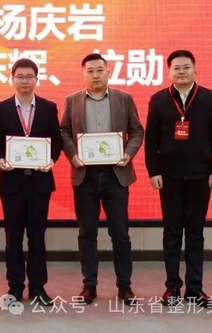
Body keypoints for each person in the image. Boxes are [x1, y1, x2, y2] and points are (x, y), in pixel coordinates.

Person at [145, 50, 212, 307]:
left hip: (199, 176)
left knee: (195, 233)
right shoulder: (158, 100)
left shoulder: (210, 99)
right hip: (169, 177)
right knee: (171, 232)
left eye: (186, 67)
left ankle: (194, 288)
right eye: (176, 68)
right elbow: (151, 141)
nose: (181, 72)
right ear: (169, 72)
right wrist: (153, 171)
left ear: (195, 70)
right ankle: (172, 287)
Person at [60, 53, 144, 306]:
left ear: (108, 72)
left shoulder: (124, 99)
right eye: (90, 71)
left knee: (120, 234)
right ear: (83, 74)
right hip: (84, 175)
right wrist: (72, 155)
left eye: (100, 70)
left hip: (115, 174)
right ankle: (89, 285)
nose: (95, 75)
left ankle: (125, 286)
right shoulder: (72, 100)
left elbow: (137, 130)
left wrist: (128, 154)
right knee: (87, 233)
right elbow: (64, 131)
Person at [0, 58, 63, 306]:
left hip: (40, 183)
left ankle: (37, 286)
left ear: (36, 79)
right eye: (20, 76)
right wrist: (0, 159)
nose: (24, 81)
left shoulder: (48, 107)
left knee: (37, 236)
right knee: (13, 236)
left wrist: (51, 160)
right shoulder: (1, 108)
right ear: (12, 79)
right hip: (11, 182)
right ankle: (14, 285)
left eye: (29, 76)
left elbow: (56, 141)